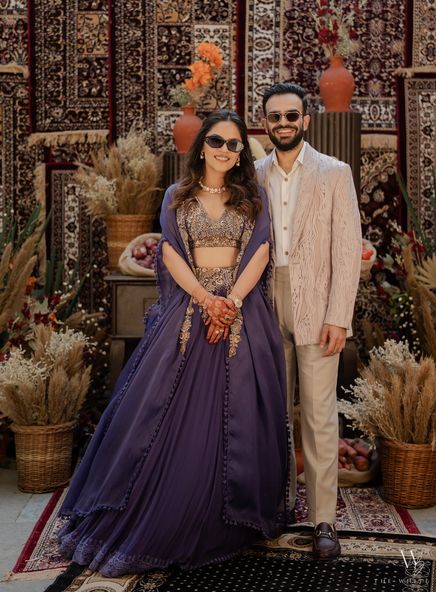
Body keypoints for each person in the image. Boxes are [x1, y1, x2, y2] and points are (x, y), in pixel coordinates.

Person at [57, 110, 289, 576]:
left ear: (242, 153)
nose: (226, 151)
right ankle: (167, 511)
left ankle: (233, 520)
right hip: (191, 309)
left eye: (236, 145)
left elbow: (262, 249)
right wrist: (207, 300)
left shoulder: (253, 197)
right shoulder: (177, 197)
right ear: (202, 145)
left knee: (242, 411)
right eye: (219, 141)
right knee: (162, 414)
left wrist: (233, 302)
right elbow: (169, 252)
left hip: (241, 313)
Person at [255, 82, 362, 560]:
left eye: (291, 115)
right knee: (271, 410)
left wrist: (339, 316)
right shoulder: (251, 174)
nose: (283, 123)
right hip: (262, 301)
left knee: (319, 414)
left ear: (306, 121)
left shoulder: (334, 174)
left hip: (317, 305)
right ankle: (276, 507)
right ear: (265, 123)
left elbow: (347, 249)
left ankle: (323, 521)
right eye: (274, 116)